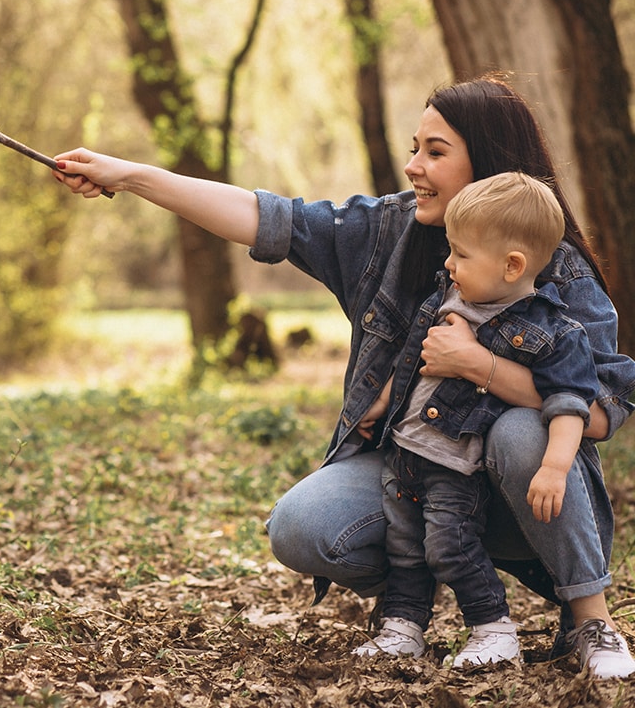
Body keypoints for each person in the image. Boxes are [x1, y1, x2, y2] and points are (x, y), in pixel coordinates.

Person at [52, 75, 635, 679]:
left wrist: (478, 365)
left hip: (523, 486)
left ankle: (591, 618)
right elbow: (264, 217)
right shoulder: (386, 230)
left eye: (436, 152)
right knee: (303, 527)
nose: (413, 166)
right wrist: (132, 176)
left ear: (487, 162)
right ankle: (416, 602)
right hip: (415, 467)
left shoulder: (555, 271)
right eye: (415, 148)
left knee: (520, 432)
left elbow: (596, 413)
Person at [352, 171, 599, 667]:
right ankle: (404, 626)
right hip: (407, 452)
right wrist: (379, 401)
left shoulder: (550, 330)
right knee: (405, 548)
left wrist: (553, 467)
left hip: (457, 467)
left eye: (461, 254)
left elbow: (570, 402)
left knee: (449, 547)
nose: (448, 263)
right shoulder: (450, 296)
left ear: (512, 266)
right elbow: (410, 358)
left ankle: (492, 628)